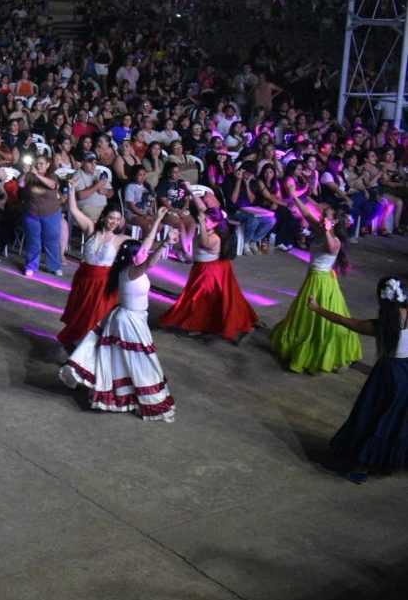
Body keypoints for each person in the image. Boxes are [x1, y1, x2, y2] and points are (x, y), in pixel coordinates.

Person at [59, 231, 180, 422]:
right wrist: (165, 243)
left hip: (132, 318)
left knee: (125, 360)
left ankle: (128, 395)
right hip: (129, 320)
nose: (144, 252)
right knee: (141, 362)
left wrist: (159, 220)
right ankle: (143, 399)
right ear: (133, 256)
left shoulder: (128, 268)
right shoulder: (131, 272)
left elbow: (146, 249)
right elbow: (149, 262)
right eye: (141, 252)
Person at [308, 276, 408, 484]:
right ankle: (391, 460)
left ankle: (360, 467)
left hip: (387, 376)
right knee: (397, 419)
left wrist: (316, 308)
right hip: (406, 374)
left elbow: (343, 320)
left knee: (370, 417)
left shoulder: (380, 326)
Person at [59, 193, 167, 352]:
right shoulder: (90, 228)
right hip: (83, 280)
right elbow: (74, 209)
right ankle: (74, 347)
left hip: (102, 285)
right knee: (77, 315)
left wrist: (157, 220)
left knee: (93, 320)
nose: (114, 223)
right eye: (111, 218)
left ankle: (85, 354)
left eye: (117, 220)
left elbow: (145, 246)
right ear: (103, 217)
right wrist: (72, 188)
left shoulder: (120, 239)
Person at [271, 196, 363, 374]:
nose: (322, 218)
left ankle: (317, 353)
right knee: (305, 314)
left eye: (326, 216)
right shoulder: (320, 229)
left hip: (321, 282)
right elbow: (306, 213)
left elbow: (330, 248)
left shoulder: (333, 240)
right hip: (313, 277)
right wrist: (295, 196)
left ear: (335, 221)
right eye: (322, 215)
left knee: (317, 315)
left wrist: (328, 230)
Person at [159, 193, 259, 344]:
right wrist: (190, 191)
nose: (203, 221)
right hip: (205, 268)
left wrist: (201, 224)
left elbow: (203, 243)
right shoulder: (212, 225)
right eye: (204, 219)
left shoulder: (214, 238)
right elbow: (201, 207)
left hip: (209, 271)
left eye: (207, 220)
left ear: (215, 224)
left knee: (199, 299)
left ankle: (198, 326)